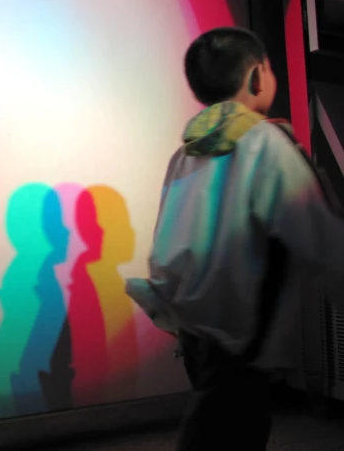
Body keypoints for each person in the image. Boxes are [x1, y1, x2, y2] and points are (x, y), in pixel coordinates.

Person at [126, 27, 344, 451]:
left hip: (194, 332)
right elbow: (315, 233)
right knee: (229, 434)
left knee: (217, 428)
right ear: (257, 78)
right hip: (242, 338)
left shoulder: (186, 152)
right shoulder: (267, 142)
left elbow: (166, 239)